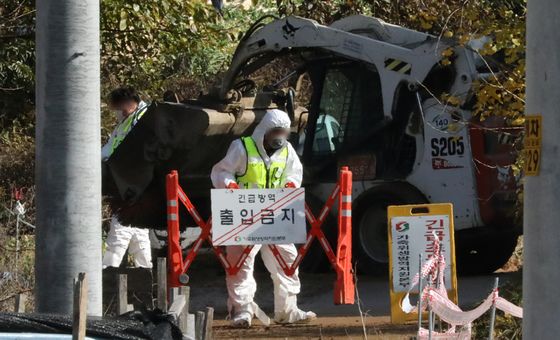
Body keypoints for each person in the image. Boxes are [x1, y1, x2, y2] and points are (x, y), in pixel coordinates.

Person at [211, 109, 316, 327]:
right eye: (276, 131)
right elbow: (221, 172)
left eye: (284, 133)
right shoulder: (243, 148)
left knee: (287, 261)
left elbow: (294, 174)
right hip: (245, 216)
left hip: (276, 215)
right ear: (265, 131)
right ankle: (242, 311)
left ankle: (288, 311)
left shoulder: (287, 151)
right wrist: (230, 185)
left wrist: (290, 185)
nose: (280, 137)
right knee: (240, 264)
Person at [102, 86, 152, 269]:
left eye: (120, 108)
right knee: (139, 234)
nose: (118, 112)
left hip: (134, 183)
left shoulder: (144, 118)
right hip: (128, 182)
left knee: (120, 231)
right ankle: (147, 275)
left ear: (130, 102)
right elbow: (110, 147)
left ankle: (108, 274)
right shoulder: (126, 120)